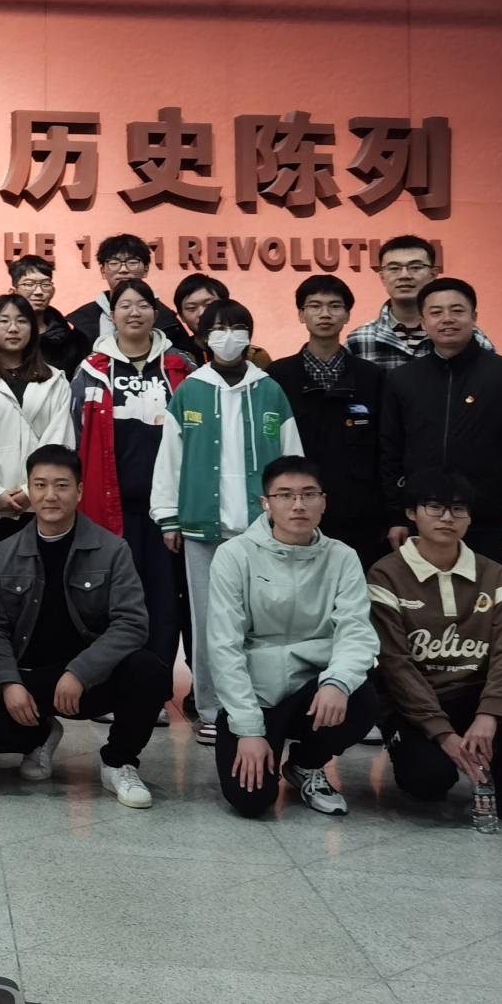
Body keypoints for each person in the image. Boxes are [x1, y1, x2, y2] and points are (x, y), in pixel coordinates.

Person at [0, 445, 170, 807]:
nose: (50, 495)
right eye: (40, 485)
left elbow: (132, 623)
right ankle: (40, 734)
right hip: (32, 676)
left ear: (79, 490)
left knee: (150, 672)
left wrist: (80, 672)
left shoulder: (112, 549)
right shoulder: (3, 553)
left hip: (92, 678)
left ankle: (118, 761)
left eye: (61, 485)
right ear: (28, 489)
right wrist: (9, 683)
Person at [369, 470, 502, 826]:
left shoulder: (494, 574)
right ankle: (421, 751)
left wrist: (489, 714)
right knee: (428, 782)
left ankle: (498, 780)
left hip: (473, 696)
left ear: (470, 517)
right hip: (414, 707)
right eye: (435, 507)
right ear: (412, 513)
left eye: (458, 509)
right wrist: (441, 732)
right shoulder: (386, 574)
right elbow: (395, 664)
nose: (447, 518)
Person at [152, 298, 304, 745]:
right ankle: (213, 709)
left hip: (264, 530)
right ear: (203, 337)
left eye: (238, 327)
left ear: (250, 335)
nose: (229, 336)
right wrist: (168, 517)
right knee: (208, 622)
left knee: (265, 620)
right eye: (219, 328)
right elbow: (170, 458)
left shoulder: (270, 390)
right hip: (204, 528)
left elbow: (292, 456)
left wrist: (294, 509)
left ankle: (261, 705)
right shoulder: (190, 390)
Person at [204, 456, 380, 818]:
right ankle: (253, 736)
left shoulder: (343, 557)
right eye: (285, 495)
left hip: (313, 690)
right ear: (266, 503)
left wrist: (337, 682)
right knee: (250, 800)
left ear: (323, 501)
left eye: (308, 494)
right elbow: (224, 646)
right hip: (256, 693)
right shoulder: (234, 555)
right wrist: (249, 730)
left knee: (361, 698)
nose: (298, 504)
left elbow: (356, 631)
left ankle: (306, 764)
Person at [379, 278, 502, 595]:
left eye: (457, 310)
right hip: (423, 526)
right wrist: (396, 517)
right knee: (427, 618)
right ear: (423, 321)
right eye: (436, 312)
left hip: (494, 526)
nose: (447, 319)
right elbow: (389, 453)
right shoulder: (402, 380)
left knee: (494, 615)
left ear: (474, 316)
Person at [72, 279, 193, 713]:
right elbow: (74, 435)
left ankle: (153, 692)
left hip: (167, 512)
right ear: (112, 315)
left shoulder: (180, 366)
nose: (134, 312)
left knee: (163, 601)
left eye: (143, 304)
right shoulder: (92, 368)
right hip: (110, 509)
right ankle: (110, 688)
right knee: (114, 600)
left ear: (155, 313)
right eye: (125, 305)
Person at [267, 276, 387, 572]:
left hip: (360, 511)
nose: (325, 314)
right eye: (315, 306)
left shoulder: (371, 376)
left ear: (347, 315)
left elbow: (387, 444)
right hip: (296, 510)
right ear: (301, 314)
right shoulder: (278, 375)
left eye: (335, 306)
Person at [0, 294, 75, 559]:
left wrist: (31, 490)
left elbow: (59, 439)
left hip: (40, 505)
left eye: (22, 321)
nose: (13, 328)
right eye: (3, 320)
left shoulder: (55, 380)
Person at [347, 235, 495, 371]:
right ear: (382, 277)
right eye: (394, 268)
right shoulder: (359, 340)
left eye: (415, 267)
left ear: (433, 274)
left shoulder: (470, 337)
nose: (405, 275)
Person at [64, 235, 189, 356]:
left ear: (146, 269)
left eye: (132, 262)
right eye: (114, 263)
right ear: (103, 271)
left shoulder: (167, 319)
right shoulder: (85, 319)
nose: (123, 269)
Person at [171, 274, 274, 371]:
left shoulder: (254, 356)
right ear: (181, 316)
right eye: (191, 308)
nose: (202, 313)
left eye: (209, 305)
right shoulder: (174, 357)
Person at [11, 255, 81, 375]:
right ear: (13, 291)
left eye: (45, 284)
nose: (38, 292)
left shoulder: (67, 339)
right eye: (29, 284)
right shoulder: (1, 334)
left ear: (53, 291)